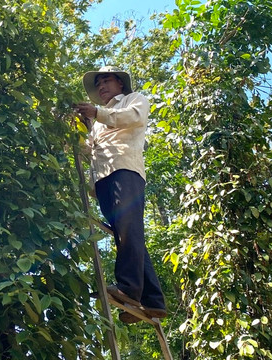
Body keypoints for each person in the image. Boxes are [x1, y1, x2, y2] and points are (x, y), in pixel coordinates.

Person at [74, 66, 167, 323]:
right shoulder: (99, 122)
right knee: (127, 234)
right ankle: (153, 300)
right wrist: (81, 129)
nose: (102, 87)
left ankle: (129, 289)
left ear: (120, 84)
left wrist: (98, 113)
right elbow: (88, 150)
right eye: (99, 84)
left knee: (128, 229)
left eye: (106, 81)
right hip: (103, 179)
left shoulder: (133, 100)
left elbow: (133, 117)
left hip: (124, 170)